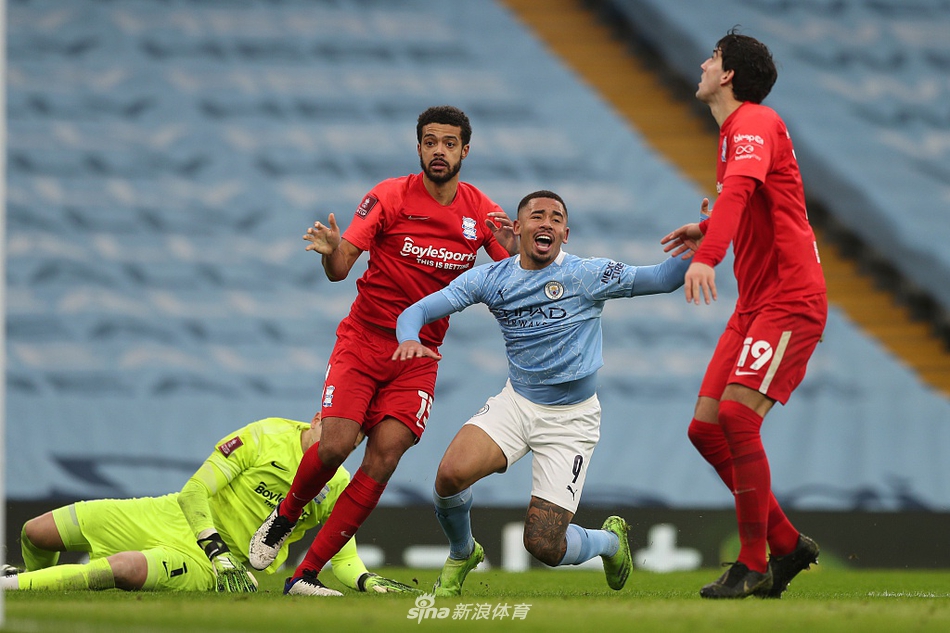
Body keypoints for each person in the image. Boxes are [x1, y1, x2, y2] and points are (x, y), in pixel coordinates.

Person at [248, 105, 518, 596]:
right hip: (364, 341)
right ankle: (284, 517)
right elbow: (340, 269)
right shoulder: (388, 196)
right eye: (430, 141)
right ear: (418, 147)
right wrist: (332, 250)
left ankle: (305, 575)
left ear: (465, 151)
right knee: (333, 444)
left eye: (450, 143)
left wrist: (518, 250)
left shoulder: (481, 212)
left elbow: (517, 279)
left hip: (419, 358)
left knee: (385, 456)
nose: (439, 150)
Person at [392, 190, 693, 596]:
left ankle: (608, 542)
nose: (546, 222)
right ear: (517, 229)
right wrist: (409, 337)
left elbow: (663, 278)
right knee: (449, 476)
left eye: (555, 218)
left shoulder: (587, 274)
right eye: (536, 216)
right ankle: (463, 552)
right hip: (516, 404)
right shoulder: (492, 278)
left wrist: (700, 245)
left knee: (544, 546)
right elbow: (418, 311)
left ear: (565, 233)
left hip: (571, 420)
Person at [660, 29, 827, 599]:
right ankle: (786, 542)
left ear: (728, 74)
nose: (703, 65)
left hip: (788, 299)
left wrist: (708, 256)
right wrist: (705, 228)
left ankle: (753, 563)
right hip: (756, 303)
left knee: (736, 419)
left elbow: (738, 195)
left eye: (711, 58)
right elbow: (751, 199)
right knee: (705, 428)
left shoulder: (753, 122)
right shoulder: (737, 133)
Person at [0, 416, 415, 595]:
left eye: (357, 440)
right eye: (344, 429)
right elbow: (193, 491)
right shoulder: (265, 435)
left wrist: (364, 581)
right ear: (320, 417)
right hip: (171, 516)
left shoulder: (337, 485)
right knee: (35, 532)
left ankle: (13, 587)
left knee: (124, 569)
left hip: (221, 566)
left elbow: (342, 557)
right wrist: (213, 544)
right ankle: (42, 585)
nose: (346, 444)